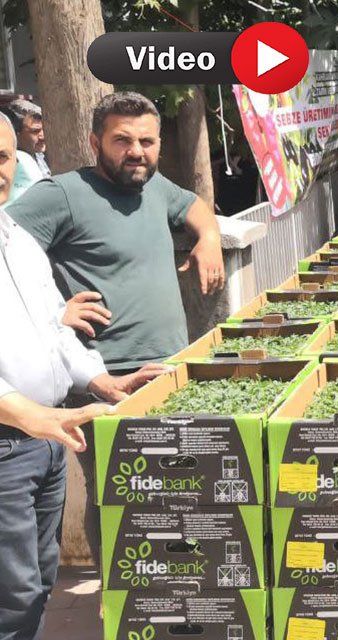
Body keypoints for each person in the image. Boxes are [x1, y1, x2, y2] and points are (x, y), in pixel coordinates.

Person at [7, 91, 225, 571]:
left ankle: (167, 595)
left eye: (147, 141)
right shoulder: (63, 193)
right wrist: (52, 312)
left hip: (170, 373)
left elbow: (195, 207)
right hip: (103, 379)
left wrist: (208, 237)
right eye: (122, 140)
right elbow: (8, 247)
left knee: (174, 499)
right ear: (94, 141)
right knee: (119, 501)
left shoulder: (154, 188)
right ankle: (117, 601)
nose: (136, 151)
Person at [0, 111, 165, 640]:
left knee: (38, 581)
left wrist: (101, 381)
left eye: (3, 157)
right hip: (10, 442)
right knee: (12, 593)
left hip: (43, 446)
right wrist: (33, 415)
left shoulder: (16, 238)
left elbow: (55, 329)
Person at [2, 99, 49, 202]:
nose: (43, 136)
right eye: (35, 131)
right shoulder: (17, 161)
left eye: (44, 129)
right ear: (14, 132)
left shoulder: (40, 157)